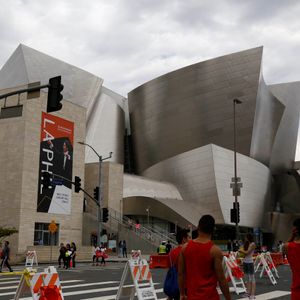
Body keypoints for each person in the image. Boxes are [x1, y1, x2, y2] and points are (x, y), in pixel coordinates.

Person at [178, 215, 231, 300]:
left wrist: (182, 294)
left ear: (198, 227)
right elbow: (221, 280)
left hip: (192, 297)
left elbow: (181, 274)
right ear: (213, 230)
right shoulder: (215, 251)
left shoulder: (185, 248)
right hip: (210, 297)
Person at [165, 229, 190, 300]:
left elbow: (170, 271)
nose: (190, 239)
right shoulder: (188, 251)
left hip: (175, 287)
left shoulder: (171, 253)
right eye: (188, 237)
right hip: (187, 287)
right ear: (184, 239)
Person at [283, 218, 300, 300]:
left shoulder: (287, 246)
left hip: (297, 290)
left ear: (295, 230)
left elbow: (285, 246)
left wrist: (293, 236)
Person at [239, 234, 256, 299]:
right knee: (246, 278)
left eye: (246, 237)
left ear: (249, 237)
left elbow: (247, 252)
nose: (245, 238)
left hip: (250, 262)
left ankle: (253, 294)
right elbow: (243, 253)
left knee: (252, 278)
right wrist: (241, 250)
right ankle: (248, 292)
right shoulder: (246, 244)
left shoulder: (252, 244)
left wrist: (241, 250)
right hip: (245, 262)